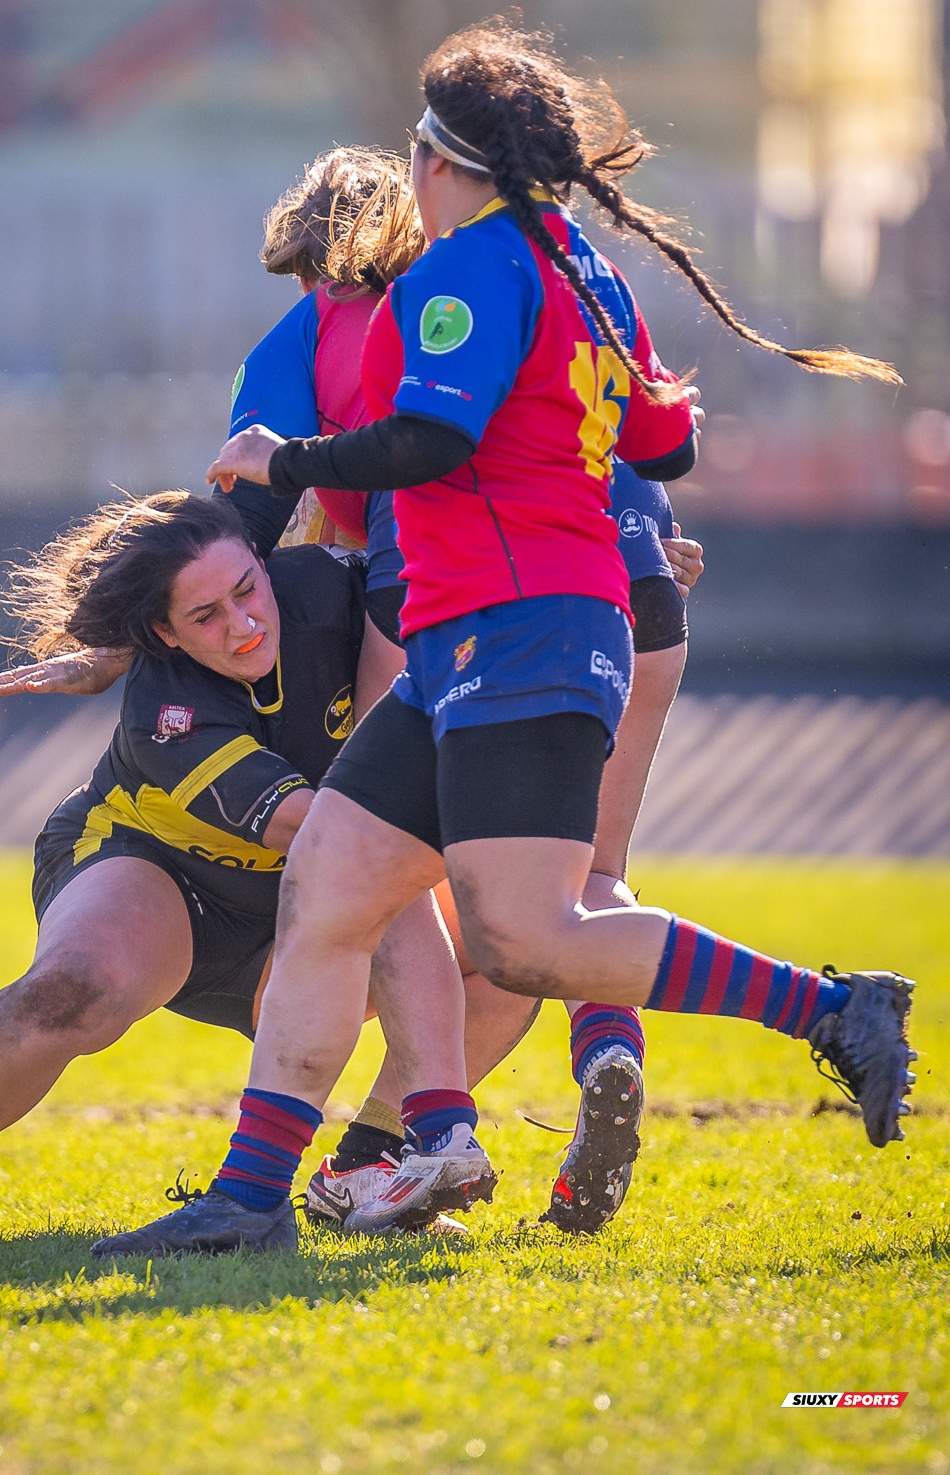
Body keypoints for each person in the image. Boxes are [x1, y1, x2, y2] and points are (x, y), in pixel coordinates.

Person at [94, 17, 914, 1261]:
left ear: (442, 162)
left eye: (418, 156)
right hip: (479, 633)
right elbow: (664, 446)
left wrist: (285, 458)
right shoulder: (583, 266)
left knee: (526, 938)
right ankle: (249, 1199)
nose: (410, 181)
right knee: (332, 885)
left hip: (520, 626)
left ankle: (838, 1007)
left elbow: (434, 442)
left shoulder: (467, 267)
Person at [224, 143, 706, 1234]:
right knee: (588, 879)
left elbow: (245, 517)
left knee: (386, 895)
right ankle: (592, 1058)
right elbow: (637, 444)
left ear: (313, 257)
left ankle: (411, 1144)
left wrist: (122, 627)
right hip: (628, 602)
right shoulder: (541, 279)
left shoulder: (332, 328)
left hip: (470, 611)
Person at [0, 492, 478, 1239]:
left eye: (247, 590)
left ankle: (371, 1167)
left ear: (263, 561)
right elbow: (326, 833)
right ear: (162, 635)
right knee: (76, 990)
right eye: (205, 616)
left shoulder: (327, 586)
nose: (243, 625)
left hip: (293, 906)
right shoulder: (166, 708)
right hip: (156, 869)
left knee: (505, 942)